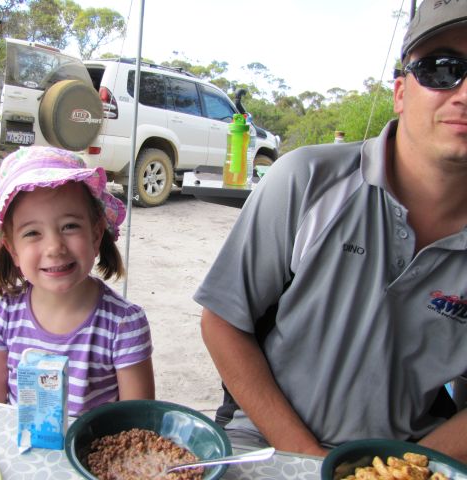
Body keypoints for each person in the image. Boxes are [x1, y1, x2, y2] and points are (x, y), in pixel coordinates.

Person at [195, 0, 467, 461]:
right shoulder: (308, 181)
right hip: (268, 443)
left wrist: (404, 469)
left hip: (405, 459)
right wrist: (314, 462)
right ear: (401, 93)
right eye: (443, 70)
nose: (464, 93)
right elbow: (221, 320)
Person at [0, 146, 155, 416]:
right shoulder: (1, 315)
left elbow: (138, 425)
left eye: (70, 226)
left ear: (96, 234)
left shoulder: (124, 325)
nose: (54, 247)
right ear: (12, 249)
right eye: (32, 232)